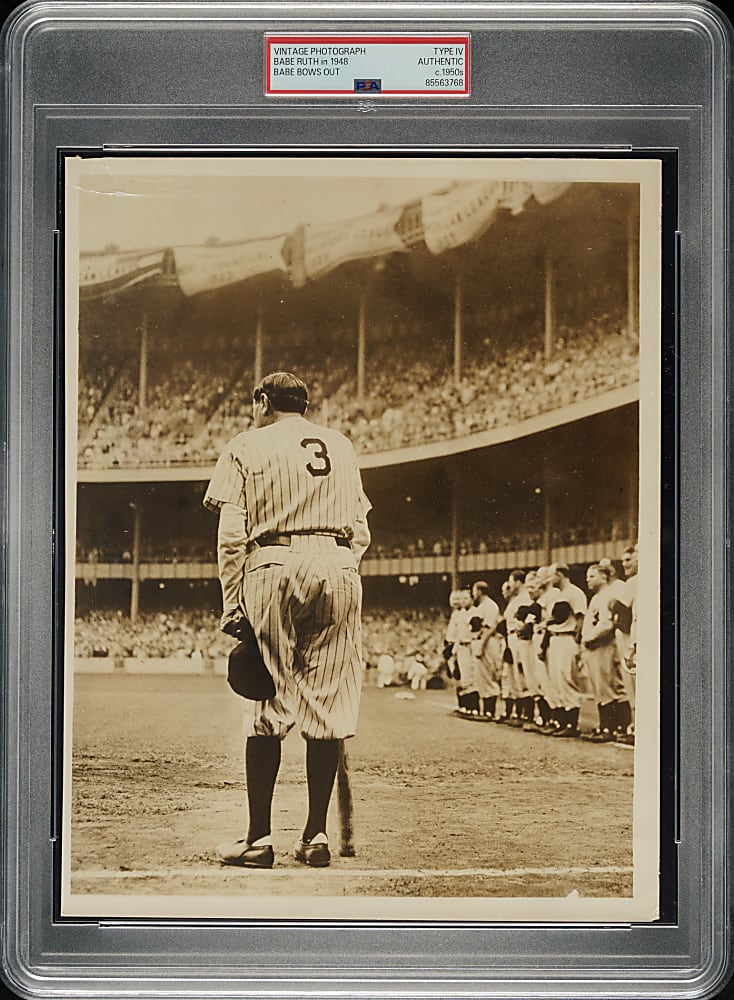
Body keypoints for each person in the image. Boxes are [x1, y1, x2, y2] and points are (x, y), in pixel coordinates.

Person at [203, 371, 371, 869]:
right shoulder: (340, 444)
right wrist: (339, 567)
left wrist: (233, 603)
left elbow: (232, 534)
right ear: (304, 403)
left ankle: (257, 840)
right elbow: (361, 530)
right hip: (340, 564)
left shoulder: (245, 445)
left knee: (269, 705)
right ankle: (315, 837)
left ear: (262, 401)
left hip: (273, 561)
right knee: (329, 705)